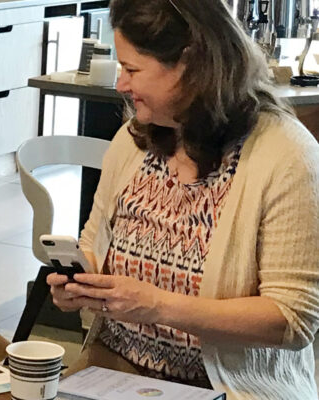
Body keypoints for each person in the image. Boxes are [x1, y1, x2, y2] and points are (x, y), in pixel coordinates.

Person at [47, 0, 319, 399]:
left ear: (191, 65)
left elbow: (292, 320)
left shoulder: (287, 156)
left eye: (133, 69)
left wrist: (157, 306)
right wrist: (80, 280)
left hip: (232, 389)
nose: (121, 84)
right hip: (114, 376)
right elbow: (94, 241)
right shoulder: (134, 140)